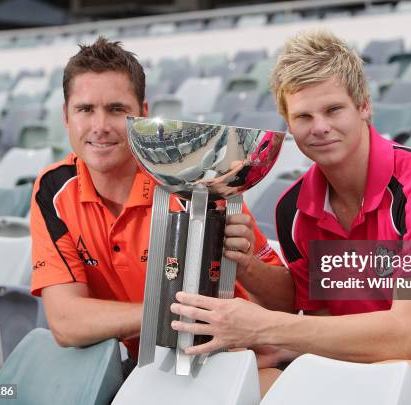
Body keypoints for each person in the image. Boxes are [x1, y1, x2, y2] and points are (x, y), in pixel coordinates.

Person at [169, 30, 411, 404]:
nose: (320, 127)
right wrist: (246, 265)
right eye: (304, 116)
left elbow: (406, 337)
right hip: (369, 358)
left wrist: (268, 330)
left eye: (333, 110)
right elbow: (312, 304)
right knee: (245, 383)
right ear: (288, 123)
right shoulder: (293, 207)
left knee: (355, 388)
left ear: (363, 106)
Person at [29, 38, 291, 373]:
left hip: (237, 360)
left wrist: (247, 267)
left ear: (143, 114)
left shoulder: (192, 178)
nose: (100, 127)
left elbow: (284, 302)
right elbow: (67, 323)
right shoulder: (53, 190)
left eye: (116, 109)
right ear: (66, 117)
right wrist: (172, 312)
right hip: (147, 369)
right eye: (85, 109)